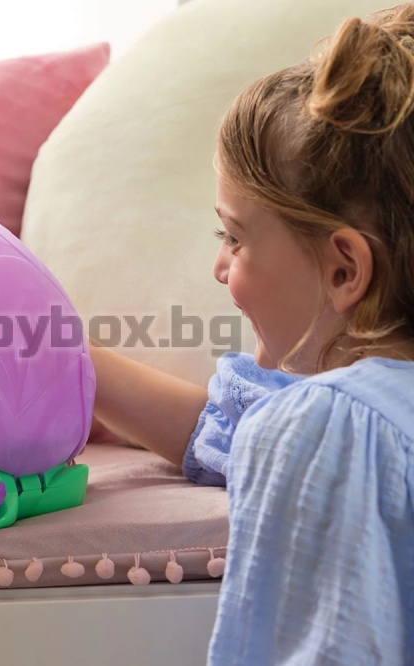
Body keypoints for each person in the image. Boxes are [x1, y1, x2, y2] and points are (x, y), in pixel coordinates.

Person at [96, 4, 414, 663]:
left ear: (344, 269)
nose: (220, 267)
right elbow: (234, 429)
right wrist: (79, 362)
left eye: (234, 237)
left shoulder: (330, 428)